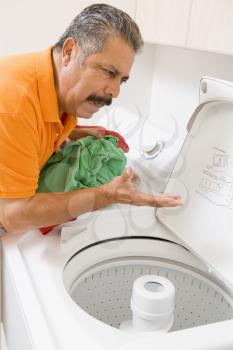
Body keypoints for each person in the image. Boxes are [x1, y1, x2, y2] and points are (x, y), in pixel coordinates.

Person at [0, 4, 182, 235]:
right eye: (108, 72)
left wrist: (71, 133)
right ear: (69, 52)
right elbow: (13, 215)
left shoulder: (56, 93)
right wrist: (106, 195)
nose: (115, 91)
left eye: (122, 80)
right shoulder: (15, 102)